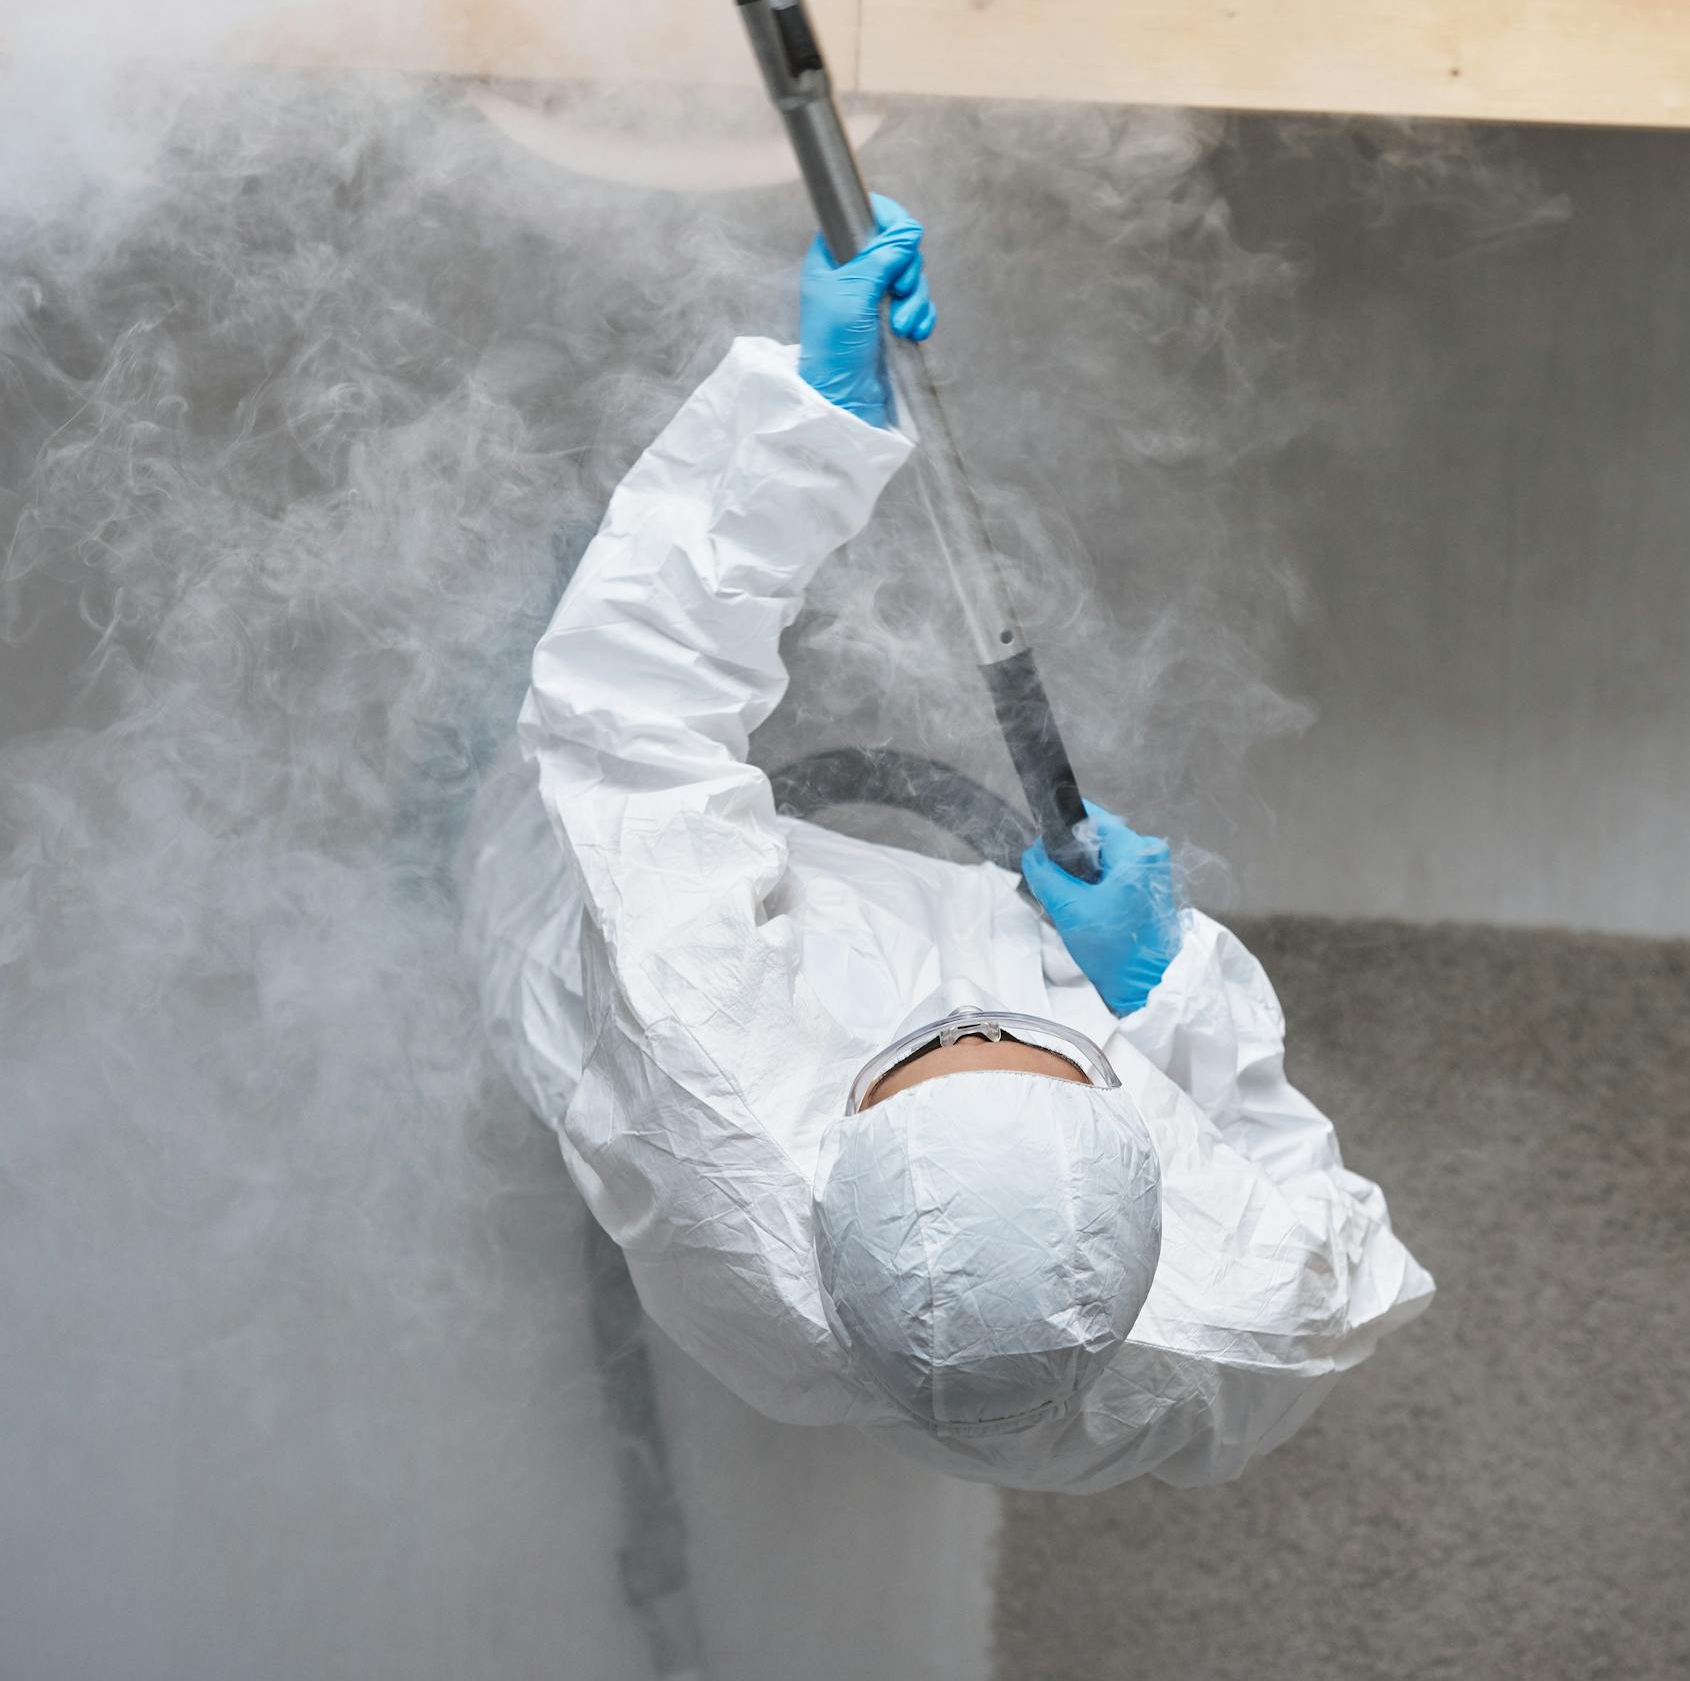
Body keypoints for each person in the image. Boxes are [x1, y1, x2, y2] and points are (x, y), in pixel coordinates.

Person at [464, 200, 1433, 1494]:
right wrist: (1167, 988)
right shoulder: (1239, 1316)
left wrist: (809, 424)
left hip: (568, 931)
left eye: (942, 1043)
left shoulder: (704, 1050)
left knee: (538, 762)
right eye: (1021, 1037)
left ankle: (448, 796)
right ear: (1137, 1162)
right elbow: (1336, 1259)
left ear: (839, 1142)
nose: (974, 1014)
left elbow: (629, 719)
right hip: (918, 1037)